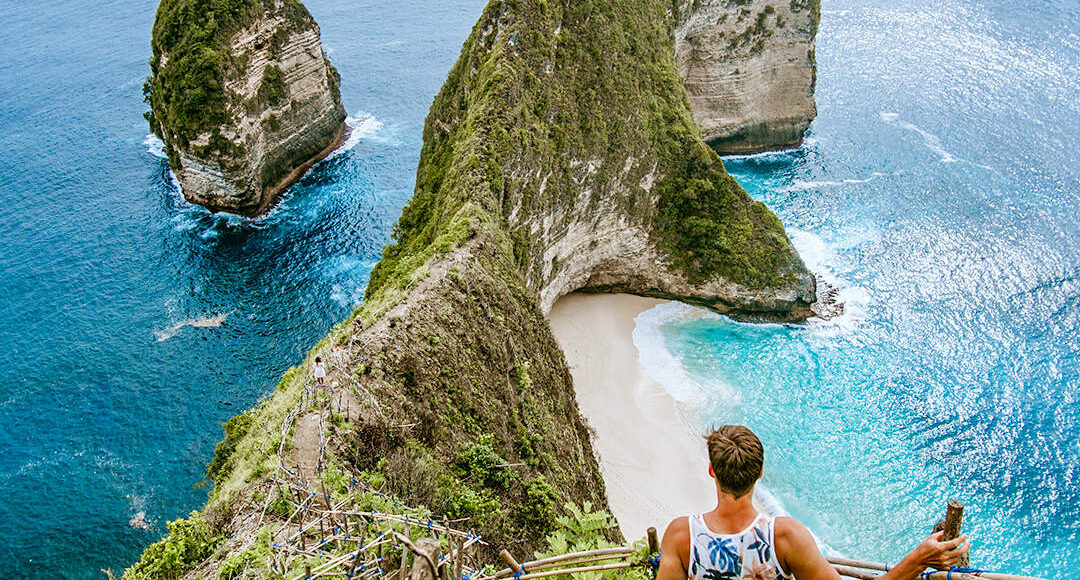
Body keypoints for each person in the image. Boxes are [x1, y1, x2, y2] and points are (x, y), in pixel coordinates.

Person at [657, 425, 969, 580]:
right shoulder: (784, 537)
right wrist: (918, 559)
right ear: (760, 473)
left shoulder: (682, 535)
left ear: (712, 471)